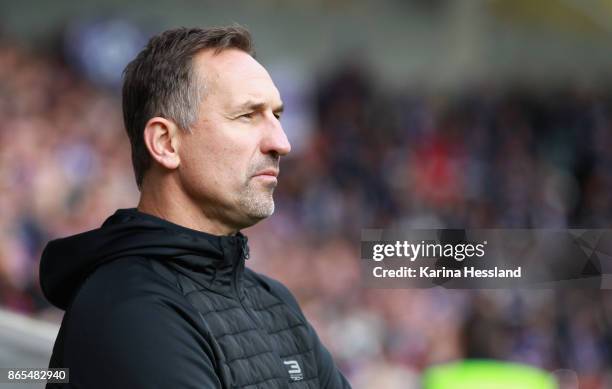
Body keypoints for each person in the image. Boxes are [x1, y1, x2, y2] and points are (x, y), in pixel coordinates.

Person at [40, 25, 352, 389]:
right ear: (166, 143)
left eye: (277, 116)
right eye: (248, 115)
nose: (281, 143)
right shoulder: (128, 310)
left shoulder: (275, 302)